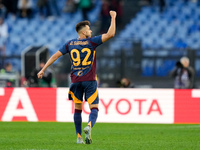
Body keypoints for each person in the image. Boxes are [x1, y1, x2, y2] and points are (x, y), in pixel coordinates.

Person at [37, 10, 117, 144]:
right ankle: (89, 126)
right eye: (89, 29)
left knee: (78, 109)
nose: (91, 31)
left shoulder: (69, 44)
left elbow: (55, 56)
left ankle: (79, 137)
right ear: (84, 32)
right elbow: (111, 34)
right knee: (94, 108)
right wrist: (113, 17)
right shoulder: (92, 42)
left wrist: (43, 69)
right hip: (90, 80)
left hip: (75, 81)